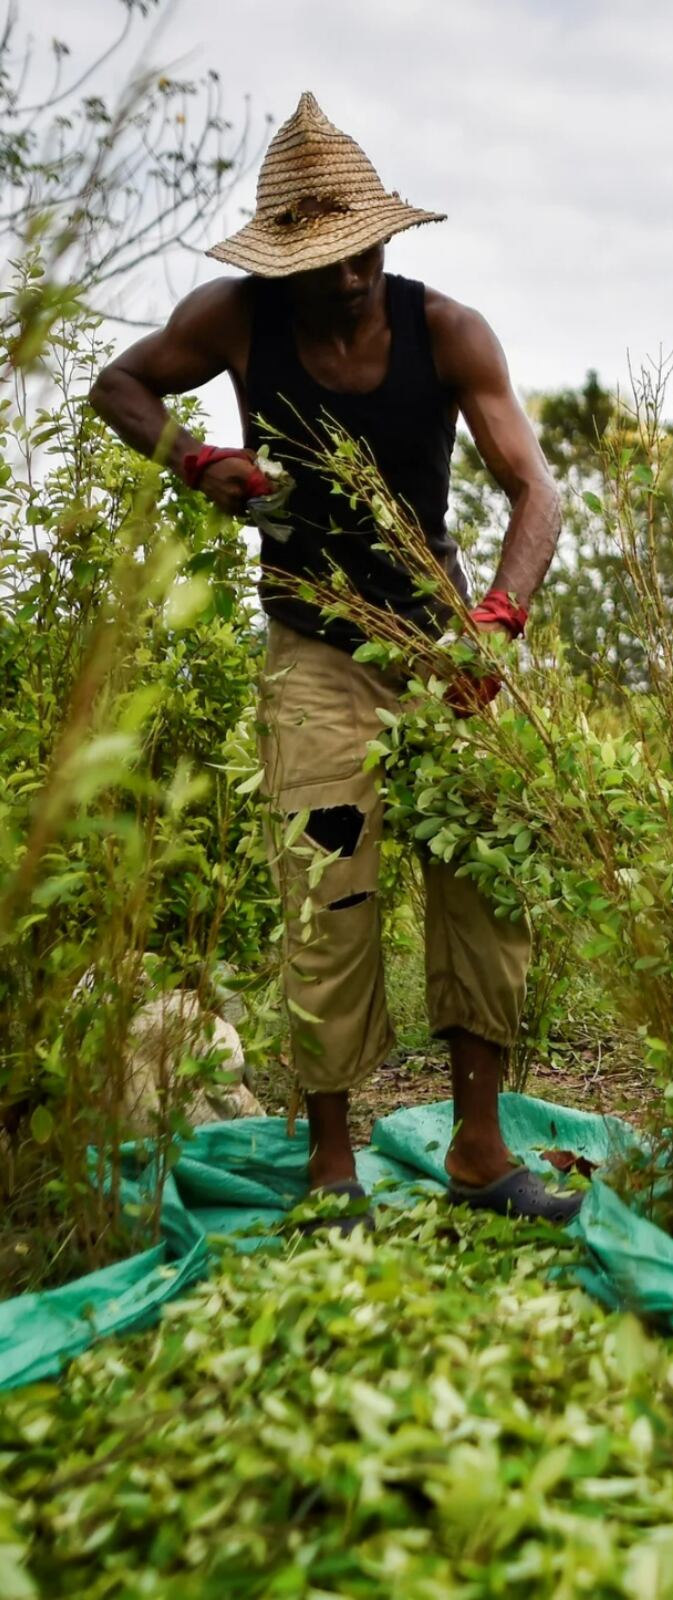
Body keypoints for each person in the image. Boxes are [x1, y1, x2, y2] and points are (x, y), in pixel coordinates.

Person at [89, 93, 580, 1224]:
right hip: (313, 651)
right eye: (322, 263)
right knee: (328, 890)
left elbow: (536, 493)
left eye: (361, 254)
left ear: (381, 239)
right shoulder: (235, 321)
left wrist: (495, 624)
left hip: (438, 648)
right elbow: (119, 385)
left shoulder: (448, 332)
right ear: (281, 264)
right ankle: (331, 1166)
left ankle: (479, 1149)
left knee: (485, 880)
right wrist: (195, 458)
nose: (349, 277)